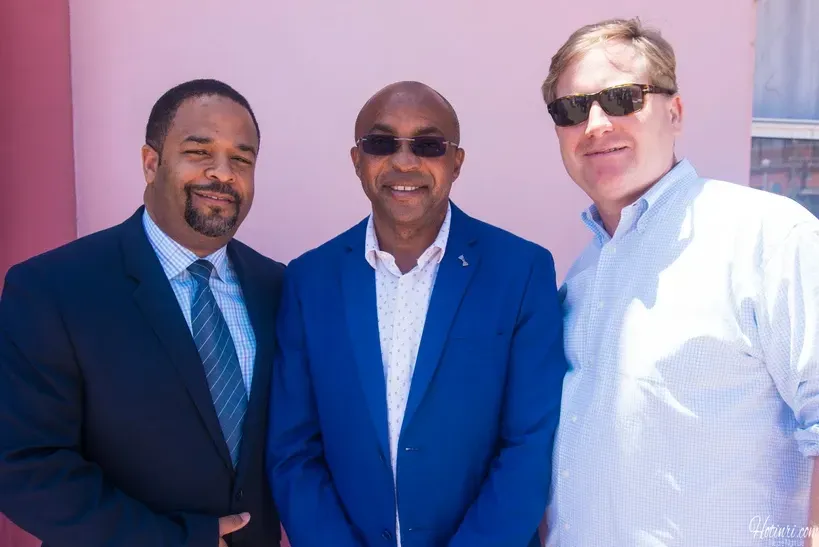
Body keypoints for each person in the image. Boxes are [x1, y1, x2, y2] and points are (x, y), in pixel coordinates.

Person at [540, 17, 819, 547]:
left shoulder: (767, 238)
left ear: (675, 112)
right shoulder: (582, 277)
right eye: (571, 109)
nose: (595, 123)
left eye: (621, 98)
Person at [266, 81, 567, 547]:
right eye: (381, 143)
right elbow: (293, 452)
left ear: (456, 162)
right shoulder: (309, 280)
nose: (404, 162)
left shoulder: (521, 271)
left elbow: (530, 444)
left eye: (428, 145)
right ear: (357, 160)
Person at [0, 78, 284, 547]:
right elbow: (24, 465)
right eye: (199, 152)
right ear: (151, 163)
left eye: (241, 159)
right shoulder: (52, 289)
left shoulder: (277, 288)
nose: (222, 173)